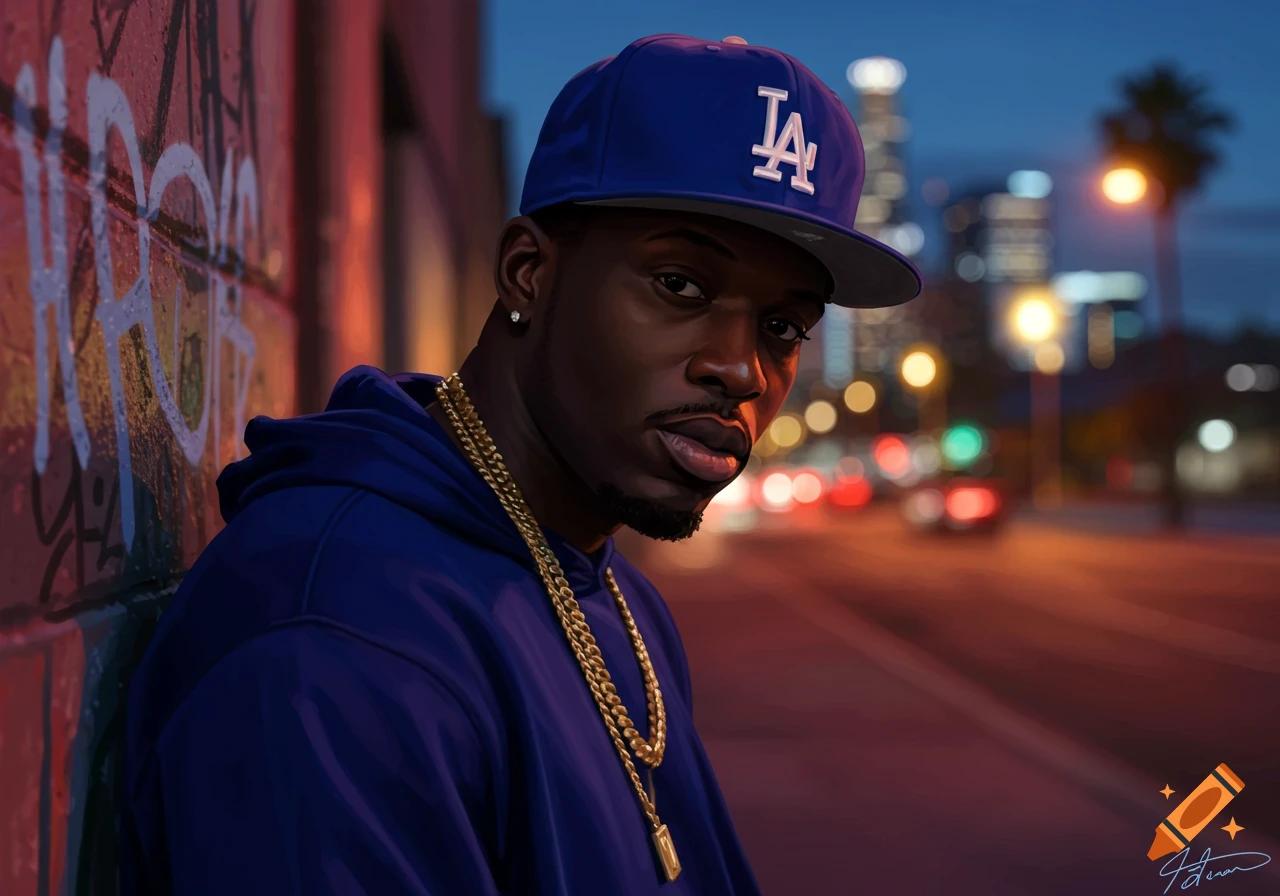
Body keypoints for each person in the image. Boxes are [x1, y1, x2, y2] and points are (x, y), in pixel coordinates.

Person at [120, 33, 920, 895]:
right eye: (681, 285)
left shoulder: (613, 591)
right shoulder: (336, 639)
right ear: (527, 273)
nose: (742, 369)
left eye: (783, 326)